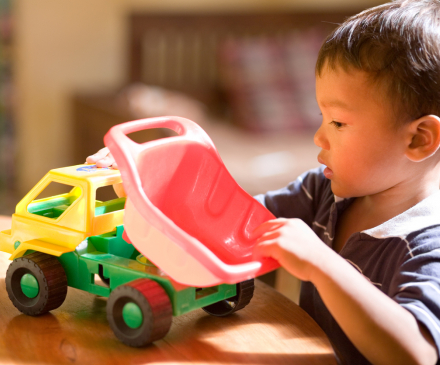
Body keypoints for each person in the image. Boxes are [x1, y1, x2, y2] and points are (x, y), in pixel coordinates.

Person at [86, 1, 440, 363]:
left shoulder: (429, 247)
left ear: (418, 139)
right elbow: (221, 227)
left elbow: (416, 355)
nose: (318, 137)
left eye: (338, 123)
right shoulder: (322, 192)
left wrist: (323, 264)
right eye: (321, 117)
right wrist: (137, 178)